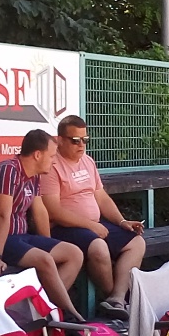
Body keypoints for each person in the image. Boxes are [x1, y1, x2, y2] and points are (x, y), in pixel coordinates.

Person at [0, 129, 85, 320]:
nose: (54, 161)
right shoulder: (8, 170)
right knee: (45, 260)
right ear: (37, 155)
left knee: (74, 253)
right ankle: (71, 316)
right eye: (51, 156)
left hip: (19, 237)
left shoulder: (35, 175)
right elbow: (2, 215)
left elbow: (39, 211)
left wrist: (48, 243)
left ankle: (43, 312)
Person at [42, 115, 147, 319]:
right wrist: (90, 225)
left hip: (93, 225)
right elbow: (53, 210)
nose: (81, 145)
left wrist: (122, 221)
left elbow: (102, 198)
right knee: (99, 247)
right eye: (75, 140)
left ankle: (116, 299)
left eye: (85, 140)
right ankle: (114, 301)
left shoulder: (88, 161)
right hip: (64, 228)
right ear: (60, 140)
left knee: (137, 242)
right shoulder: (51, 166)